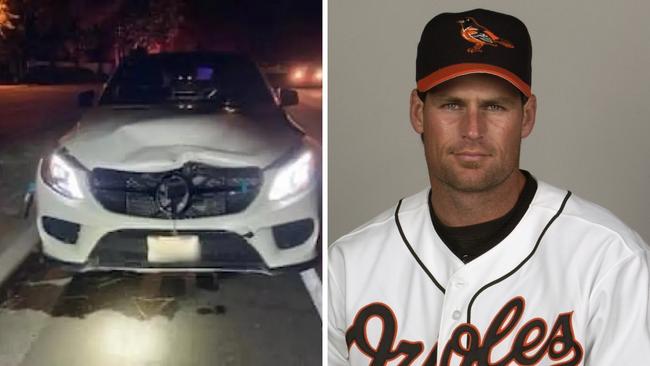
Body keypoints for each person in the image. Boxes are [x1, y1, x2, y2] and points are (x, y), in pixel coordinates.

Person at [328, 8, 650, 366]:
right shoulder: (348, 266)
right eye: (452, 104)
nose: (473, 129)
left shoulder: (608, 259)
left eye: (494, 106)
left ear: (526, 117)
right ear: (418, 112)